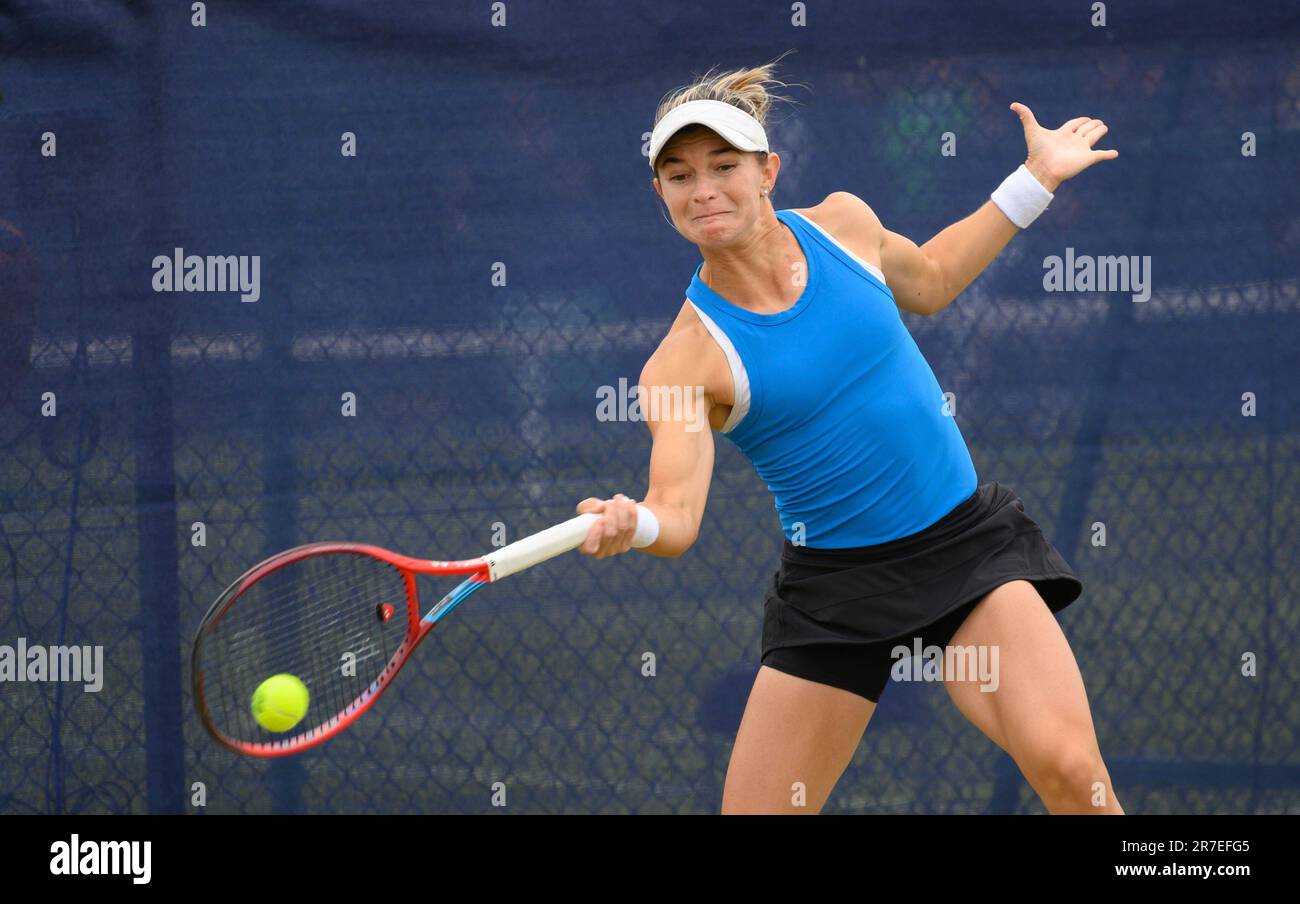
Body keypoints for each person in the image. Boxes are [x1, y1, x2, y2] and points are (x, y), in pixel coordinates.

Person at [575, 59, 1122, 814]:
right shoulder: (683, 360)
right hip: (836, 599)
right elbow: (676, 513)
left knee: (1070, 770)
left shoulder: (844, 225)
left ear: (769, 171)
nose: (702, 189)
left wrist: (1035, 178)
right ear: (660, 194)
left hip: (966, 553)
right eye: (678, 174)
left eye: (723, 166)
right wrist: (630, 522)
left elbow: (931, 278)